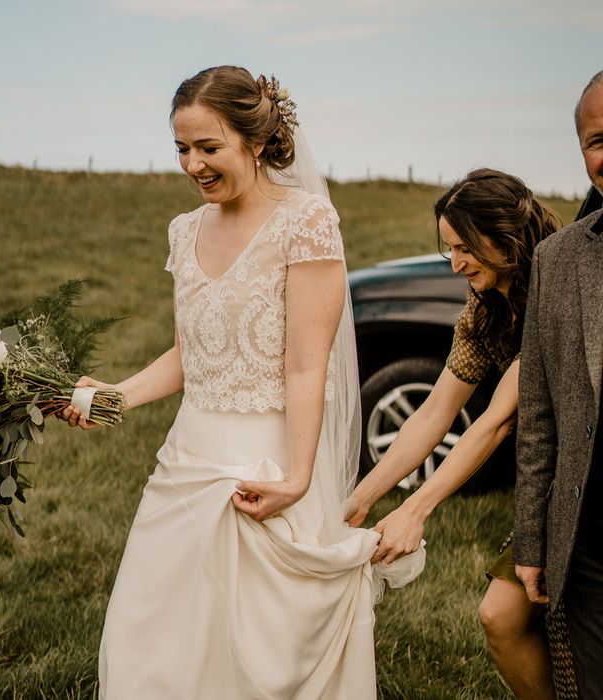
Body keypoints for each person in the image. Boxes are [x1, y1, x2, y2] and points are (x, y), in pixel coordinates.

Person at [62, 65, 424, 699]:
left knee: (260, 650)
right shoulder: (184, 230)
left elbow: (307, 364)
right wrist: (113, 396)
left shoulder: (306, 223)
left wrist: (298, 478)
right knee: (148, 631)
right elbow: (188, 354)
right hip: (187, 460)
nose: (193, 164)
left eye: (208, 147)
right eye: (181, 148)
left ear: (256, 142)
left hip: (270, 461)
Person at [345, 168, 563, 699]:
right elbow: (433, 413)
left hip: (581, 478)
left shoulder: (555, 291)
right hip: (551, 481)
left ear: (506, 236)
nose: (456, 264)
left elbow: (496, 423)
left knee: (526, 619)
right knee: (503, 618)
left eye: (465, 248)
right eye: (449, 250)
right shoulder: (483, 310)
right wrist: (362, 499)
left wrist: (416, 510)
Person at [514, 69, 603, 700]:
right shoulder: (558, 259)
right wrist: (531, 539)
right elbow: (538, 416)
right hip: (590, 542)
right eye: (598, 139)